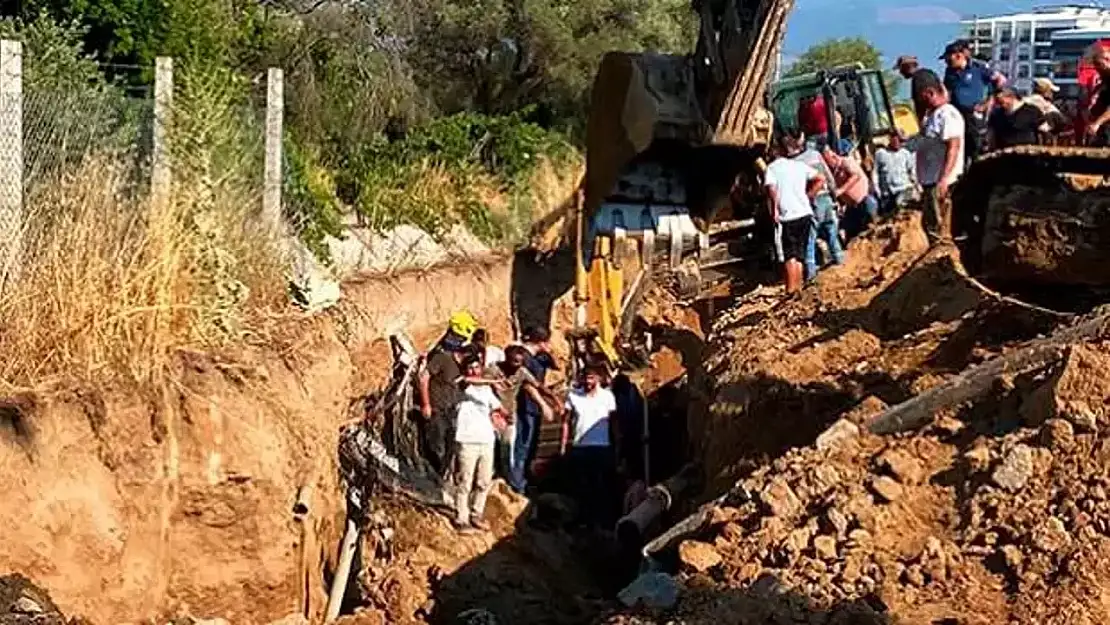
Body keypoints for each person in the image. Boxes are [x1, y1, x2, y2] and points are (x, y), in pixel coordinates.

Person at [764, 139, 824, 294]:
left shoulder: (771, 169)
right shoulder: (798, 166)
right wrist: (808, 196)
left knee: (789, 255)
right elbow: (821, 178)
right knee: (800, 254)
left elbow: (772, 191)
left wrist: (774, 210)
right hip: (804, 214)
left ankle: (791, 290)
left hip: (787, 217)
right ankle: (798, 289)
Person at [564, 363, 619, 528]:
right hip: (580, 446)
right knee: (581, 485)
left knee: (601, 485)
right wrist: (564, 444)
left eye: (591, 378)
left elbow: (613, 422)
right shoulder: (573, 396)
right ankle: (583, 519)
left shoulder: (607, 397)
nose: (588, 382)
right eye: (586, 378)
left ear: (598, 379)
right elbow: (566, 421)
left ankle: (601, 520)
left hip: (602, 446)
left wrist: (617, 443)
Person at [784, 130, 844, 280]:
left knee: (810, 238)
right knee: (831, 231)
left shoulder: (793, 163)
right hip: (826, 198)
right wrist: (834, 195)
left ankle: (810, 274)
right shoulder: (815, 155)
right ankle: (839, 261)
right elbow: (828, 176)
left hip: (812, 201)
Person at [452, 353, 501, 532]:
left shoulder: (486, 391)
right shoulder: (463, 386)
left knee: (484, 481)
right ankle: (461, 517)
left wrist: (503, 416)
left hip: (487, 439)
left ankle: (476, 513)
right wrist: (493, 382)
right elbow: (467, 380)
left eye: (476, 367)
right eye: (470, 367)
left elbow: (496, 407)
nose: (474, 370)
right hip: (467, 439)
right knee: (465, 480)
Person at [509, 326, 559, 494]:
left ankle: (525, 481)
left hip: (534, 408)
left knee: (530, 447)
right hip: (526, 407)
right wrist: (545, 404)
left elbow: (556, 366)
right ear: (542, 341)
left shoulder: (539, 358)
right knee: (522, 447)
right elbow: (527, 386)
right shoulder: (525, 359)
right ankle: (518, 485)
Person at [916, 82, 965, 244]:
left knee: (939, 226)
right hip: (929, 179)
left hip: (940, 180)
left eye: (922, 97)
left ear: (930, 93)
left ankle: (941, 261)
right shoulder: (931, 115)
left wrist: (944, 179)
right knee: (929, 223)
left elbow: (954, 146)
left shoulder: (947, 114)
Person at [942, 40, 1006, 162]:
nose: (947, 62)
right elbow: (947, 91)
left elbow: (1001, 80)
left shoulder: (979, 67)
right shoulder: (949, 72)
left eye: (949, 59)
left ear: (958, 56)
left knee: (976, 147)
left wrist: (989, 101)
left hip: (975, 113)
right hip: (957, 113)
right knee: (960, 148)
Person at [418, 339, 467, 477]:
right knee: (436, 447)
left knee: (450, 449)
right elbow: (424, 378)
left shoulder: (463, 368)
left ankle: (441, 479)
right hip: (437, 410)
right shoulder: (442, 358)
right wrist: (426, 404)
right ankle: (432, 479)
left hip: (452, 412)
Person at [822, 144, 876, 240]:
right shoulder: (833, 173)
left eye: (827, 161)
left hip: (865, 200)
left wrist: (841, 190)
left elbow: (856, 176)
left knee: (870, 228)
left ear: (832, 156)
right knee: (851, 234)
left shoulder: (846, 161)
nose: (826, 165)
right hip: (851, 206)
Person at [873, 132, 917, 215]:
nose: (899, 143)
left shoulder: (905, 153)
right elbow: (875, 172)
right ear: (891, 139)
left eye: (901, 141)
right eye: (897, 140)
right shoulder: (880, 153)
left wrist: (916, 185)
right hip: (887, 191)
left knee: (899, 204)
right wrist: (877, 188)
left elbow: (912, 171)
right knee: (887, 214)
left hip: (903, 188)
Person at [895, 55, 943, 123]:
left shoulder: (918, 78)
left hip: (933, 118)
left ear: (905, 67)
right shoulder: (929, 73)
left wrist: (920, 122)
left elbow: (922, 103)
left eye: (900, 69)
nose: (900, 72)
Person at [1084, 42, 1110, 146]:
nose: (1097, 69)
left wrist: (1097, 123)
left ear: (1108, 60)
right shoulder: (1104, 81)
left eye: (1099, 64)